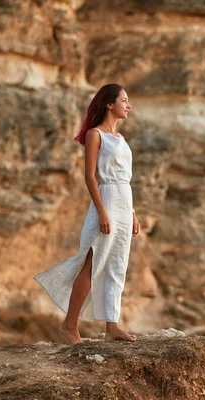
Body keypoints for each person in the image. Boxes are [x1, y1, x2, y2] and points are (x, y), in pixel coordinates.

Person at [34, 83, 140, 344]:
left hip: (124, 202)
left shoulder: (122, 139)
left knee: (117, 265)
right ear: (109, 104)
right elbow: (90, 177)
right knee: (92, 263)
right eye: (124, 100)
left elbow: (125, 179)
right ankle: (69, 325)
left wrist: (133, 212)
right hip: (106, 200)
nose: (128, 105)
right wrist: (102, 213)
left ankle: (111, 327)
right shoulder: (96, 135)